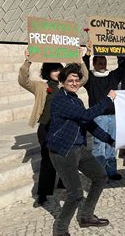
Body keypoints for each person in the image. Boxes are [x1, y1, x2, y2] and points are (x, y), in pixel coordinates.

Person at [47, 63, 116, 236]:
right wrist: (108, 99)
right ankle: (60, 231)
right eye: (70, 80)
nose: (74, 82)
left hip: (78, 147)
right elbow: (86, 115)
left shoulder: (75, 100)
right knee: (76, 194)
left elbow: (89, 124)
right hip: (63, 150)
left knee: (100, 176)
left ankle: (86, 216)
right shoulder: (60, 99)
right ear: (62, 82)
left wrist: (110, 139)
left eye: (77, 80)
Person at [18, 47, 88, 206]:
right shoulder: (41, 87)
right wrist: (28, 61)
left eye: (59, 69)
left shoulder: (67, 85)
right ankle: (43, 193)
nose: (57, 72)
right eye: (53, 70)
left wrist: (80, 60)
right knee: (47, 161)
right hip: (47, 128)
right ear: (47, 72)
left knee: (67, 158)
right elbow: (24, 80)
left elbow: (84, 78)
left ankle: (64, 183)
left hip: (64, 129)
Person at [83, 41, 125, 180]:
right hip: (98, 117)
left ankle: (112, 171)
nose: (102, 65)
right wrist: (87, 53)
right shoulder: (90, 79)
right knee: (99, 145)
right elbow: (83, 69)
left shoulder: (112, 76)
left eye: (104, 62)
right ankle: (99, 174)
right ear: (94, 64)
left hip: (113, 116)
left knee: (112, 143)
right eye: (99, 63)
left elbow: (124, 67)